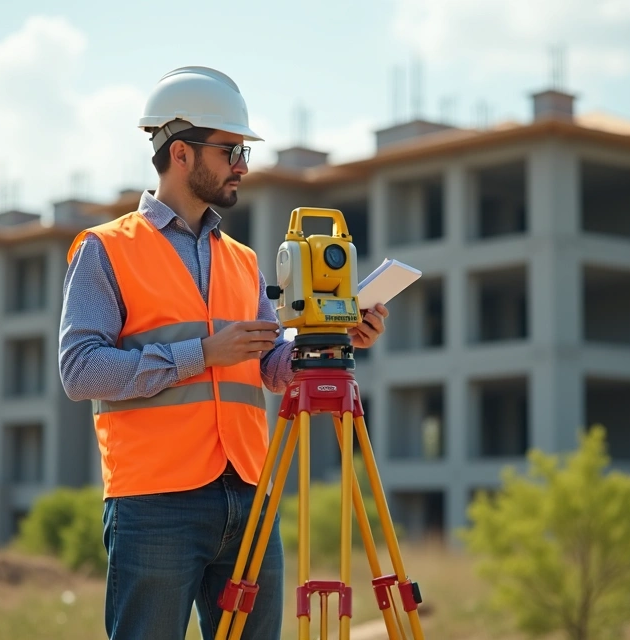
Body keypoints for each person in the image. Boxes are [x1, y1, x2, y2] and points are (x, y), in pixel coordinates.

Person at [58, 65, 389, 640]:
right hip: (156, 501)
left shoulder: (242, 259)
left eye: (243, 151)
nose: (242, 165)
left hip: (250, 493)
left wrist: (330, 338)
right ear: (180, 153)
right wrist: (202, 353)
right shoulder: (105, 249)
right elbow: (80, 371)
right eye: (230, 150)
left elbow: (269, 364)